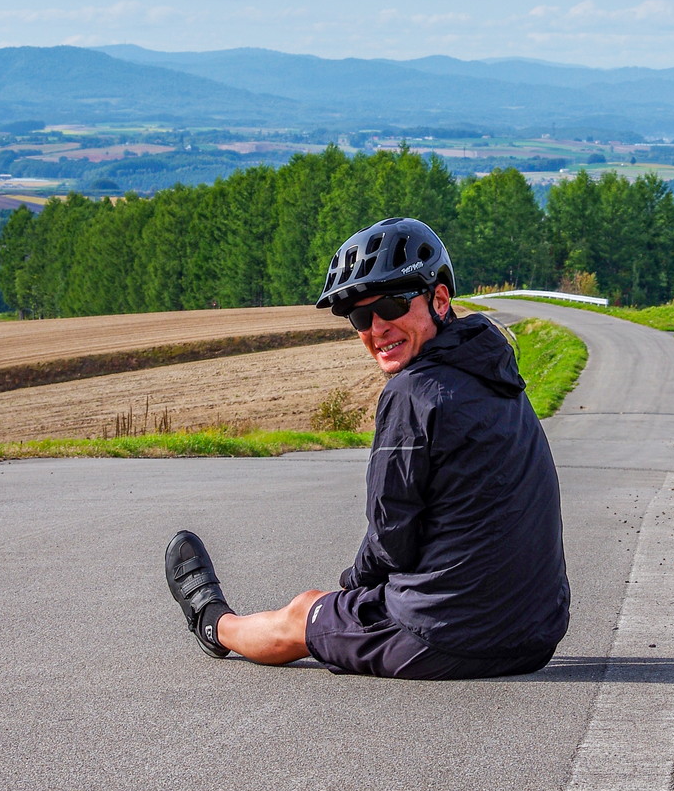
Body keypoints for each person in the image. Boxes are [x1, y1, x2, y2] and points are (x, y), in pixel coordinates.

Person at [164, 216, 569, 680]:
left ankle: (213, 622)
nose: (377, 328)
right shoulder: (496, 371)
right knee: (336, 604)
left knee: (304, 611)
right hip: (536, 636)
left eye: (393, 305)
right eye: (359, 316)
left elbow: (391, 536)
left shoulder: (413, 393)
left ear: (439, 299)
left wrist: (347, 593)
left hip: (444, 638)